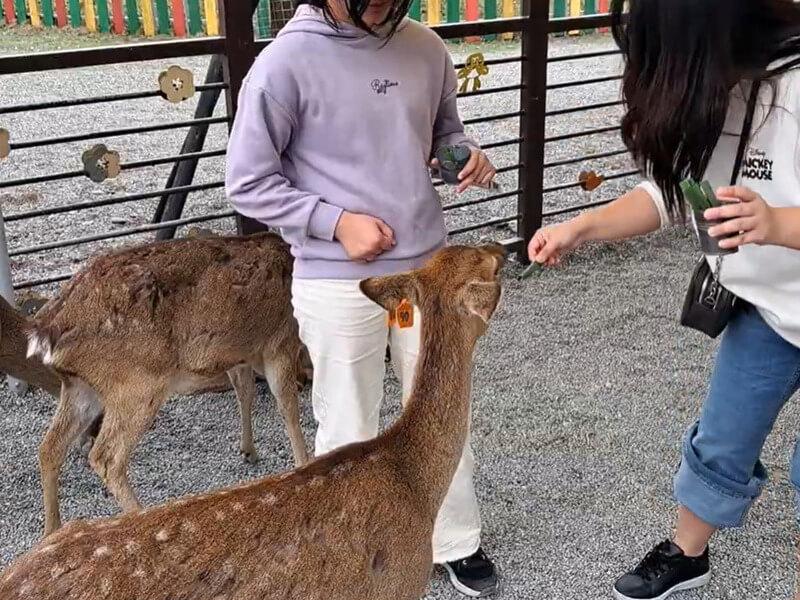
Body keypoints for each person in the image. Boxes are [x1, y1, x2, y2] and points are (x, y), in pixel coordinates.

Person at [225, 0, 499, 596]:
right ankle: (350, 549)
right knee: (348, 416)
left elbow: (443, 136)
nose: (381, 4)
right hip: (336, 276)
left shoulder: (426, 47)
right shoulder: (283, 63)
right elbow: (247, 181)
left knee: (442, 403)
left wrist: (464, 157)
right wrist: (335, 222)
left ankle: (454, 539)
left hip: (427, 272)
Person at [529, 1, 800, 599]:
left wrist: (778, 223)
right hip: (769, 314)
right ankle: (687, 553)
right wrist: (582, 227)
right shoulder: (720, 86)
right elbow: (672, 192)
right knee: (722, 436)